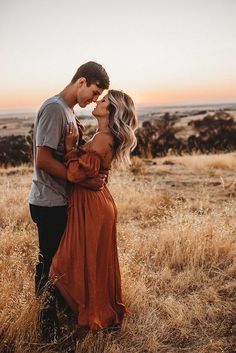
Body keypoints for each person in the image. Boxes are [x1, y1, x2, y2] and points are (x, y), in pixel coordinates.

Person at [29, 61, 109, 341]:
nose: (95, 99)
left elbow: (65, 155)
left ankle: (58, 324)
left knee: (60, 265)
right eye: (95, 91)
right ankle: (47, 330)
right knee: (51, 265)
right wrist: (81, 179)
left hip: (59, 200)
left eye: (100, 96)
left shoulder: (68, 111)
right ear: (81, 81)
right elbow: (43, 160)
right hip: (48, 202)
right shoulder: (54, 108)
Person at [50, 90, 138, 331]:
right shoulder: (103, 135)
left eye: (104, 100)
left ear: (110, 111)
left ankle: (90, 316)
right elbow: (92, 172)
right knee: (94, 263)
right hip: (98, 202)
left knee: (61, 266)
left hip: (92, 206)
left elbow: (76, 174)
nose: (98, 101)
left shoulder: (102, 137)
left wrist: (69, 148)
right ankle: (98, 313)